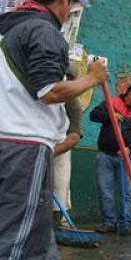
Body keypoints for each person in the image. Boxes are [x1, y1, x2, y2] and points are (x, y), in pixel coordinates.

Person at [0, 0, 109, 260]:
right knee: (18, 234)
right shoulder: (44, 31)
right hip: (23, 143)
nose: (71, 10)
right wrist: (93, 78)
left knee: (37, 231)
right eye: (72, 4)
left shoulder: (10, 27)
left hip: (16, 142)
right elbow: (49, 90)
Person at [90, 82, 131, 236]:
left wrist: (129, 149)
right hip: (105, 155)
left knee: (128, 192)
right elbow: (93, 115)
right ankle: (109, 223)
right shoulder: (112, 103)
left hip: (127, 157)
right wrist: (110, 115)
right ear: (130, 94)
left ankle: (126, 224)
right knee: (105, 190)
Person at [51, 98, 82, 229]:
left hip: (61, 146)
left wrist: (47, 154)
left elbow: (74, 137)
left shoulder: (72, 102)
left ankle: (56, 223)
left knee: (60, 185)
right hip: (31, 146)